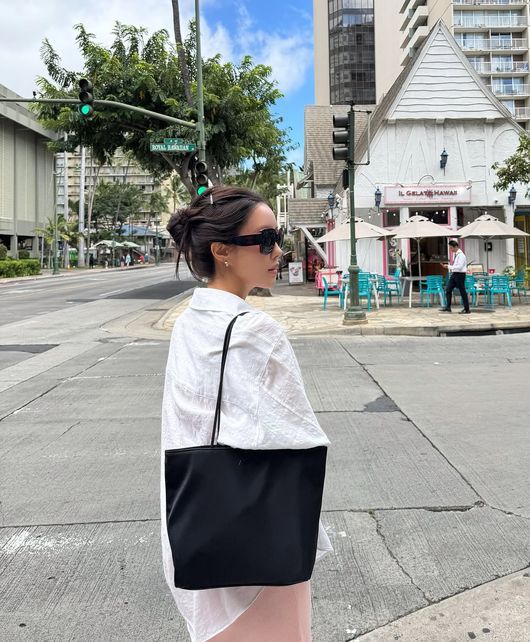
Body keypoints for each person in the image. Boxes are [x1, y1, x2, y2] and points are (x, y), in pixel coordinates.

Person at [162, 186, 332, 642]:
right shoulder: (258, 330)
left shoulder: (188, 322)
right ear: (222, 251)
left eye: (278, 238)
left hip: (201, 526)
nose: (278, 252)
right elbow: (298, 434)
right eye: (266, 240)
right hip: (263, 540)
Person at [440, 239, 470, 314]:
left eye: (451, 248)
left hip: (460, 275)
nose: (451, 250)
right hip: (454, 274)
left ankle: (467, 309)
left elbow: (459, 267)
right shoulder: (456, 255)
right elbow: (456, 266)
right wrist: (449, 266)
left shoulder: (461, 255)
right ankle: (448, 307)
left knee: (462, 291)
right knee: (448, 289)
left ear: (456, 246)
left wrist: (449, 267)